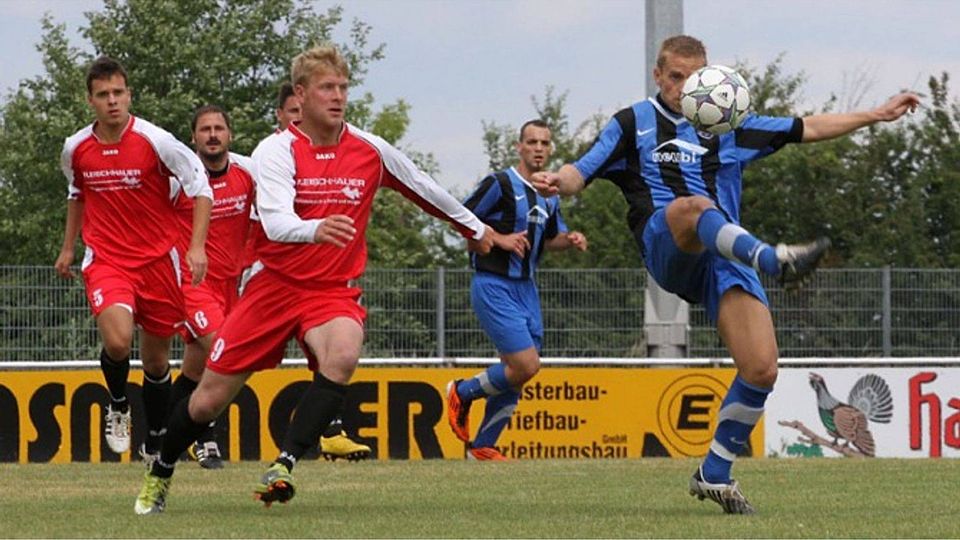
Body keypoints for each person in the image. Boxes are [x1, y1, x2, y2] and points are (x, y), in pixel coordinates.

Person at [532, 35, 920, 514]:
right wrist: (558, 182)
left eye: (692, 78)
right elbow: (581, 171)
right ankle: (771, 259)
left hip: (727, 258)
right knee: (693, 207)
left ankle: (714, 473)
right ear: (658, 75)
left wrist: (876, 115)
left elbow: (808, 127)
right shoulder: (633, 123)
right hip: (669, 244)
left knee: (761, 369)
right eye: (674, 77)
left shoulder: (729, 125)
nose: (682, 87)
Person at [134, 44, 522, 515]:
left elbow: (424, 188)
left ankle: (284, 464)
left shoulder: (368, 150)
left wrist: (480, 231)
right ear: (302, 94)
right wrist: (315, 228)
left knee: (342, 353)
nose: (337, 96)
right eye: (326, 88)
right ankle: (160, 473)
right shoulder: (276, 151)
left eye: (342, 87)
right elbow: (275, 222)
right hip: (273, 289)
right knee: (205, 404)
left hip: (330, 292)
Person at [55, 56, 212, 457]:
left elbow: (201, 186)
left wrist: (195, 247)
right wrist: (69, 247)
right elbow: (76, 195)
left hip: (158, 263)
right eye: (103, 94)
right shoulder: (76, 148)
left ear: (129, 95)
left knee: (157, 363)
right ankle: (119, 403)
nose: (112, 101)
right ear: (90, 100)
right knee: (120, 342)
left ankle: (156, 440)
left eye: (118, 93)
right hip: (107, 260)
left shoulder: (155, 141)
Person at [242, 82, 372, 462]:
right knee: (230, 365)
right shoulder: (271, 158)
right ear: (282, 116)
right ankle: (197, 425)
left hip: (317, 280)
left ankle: (329, 431)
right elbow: (265, 224)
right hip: (270, 275)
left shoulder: (338, 155)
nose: (301, 121)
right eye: (293, 114)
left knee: (335, 348)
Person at [446, 120, 587, 461]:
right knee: (526, 364)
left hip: (527, 288)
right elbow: (459, 219)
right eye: (532, 142)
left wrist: (568, 240)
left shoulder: (550, 195)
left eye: (545, 143)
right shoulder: (500, 183)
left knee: (516, 373)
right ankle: (461, 392)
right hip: (493, 284)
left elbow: (550, 238)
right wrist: (498, 239)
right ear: (519, 147)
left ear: (550, 149)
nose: (539, 148)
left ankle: (482, 446)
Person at [157, 105, 256, 469]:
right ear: (193, 138)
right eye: (204, 129)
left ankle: (159, 436)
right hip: (192, 284)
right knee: (222, 350)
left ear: (230, 134)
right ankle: (206, 439)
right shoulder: (179, 181)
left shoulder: (248, 173)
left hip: (232, 285)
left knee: (196, 372)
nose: (212, 135)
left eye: (218, 128)